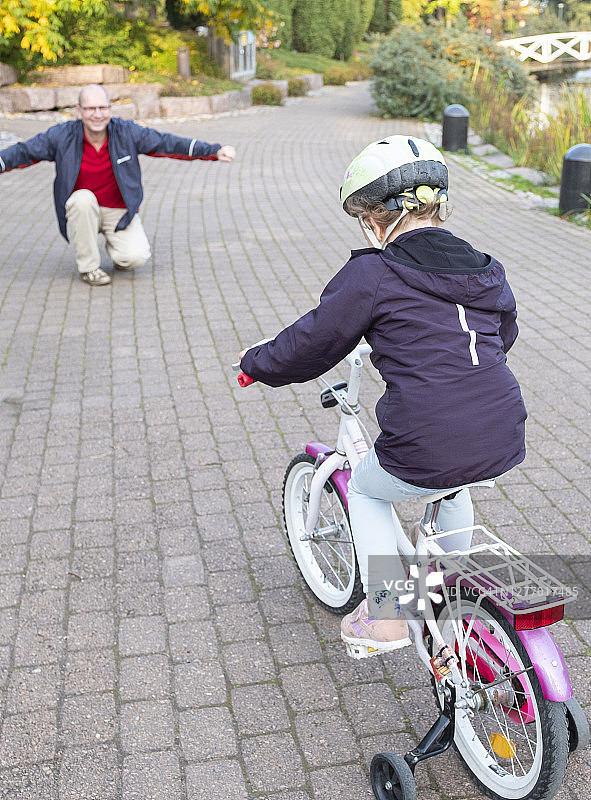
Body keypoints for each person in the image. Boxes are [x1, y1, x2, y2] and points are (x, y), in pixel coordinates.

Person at [238, 135, 527, 659]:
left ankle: (388, 614)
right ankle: (444, 590)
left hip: (428, 436)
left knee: (370, 489)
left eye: (366, 218)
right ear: (438, 205)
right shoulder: (486, 265)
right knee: (452, 485)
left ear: (379, 218)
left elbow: (313, 341)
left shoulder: (373, 273)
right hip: (502, 427)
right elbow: (503, 334)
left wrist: (258, 364)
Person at [0, 83, 236, 286]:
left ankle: (116, 247)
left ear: (110, 110)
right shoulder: (62, 136)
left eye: (102, 107)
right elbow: (25, 151)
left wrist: (213, 151)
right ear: (79, 111)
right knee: (82, 199)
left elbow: (167, 143)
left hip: (118, 211)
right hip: (84, 210)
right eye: (90, 108)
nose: (97, 114)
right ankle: (89, 268)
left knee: (135, 258)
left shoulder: (126, 132)